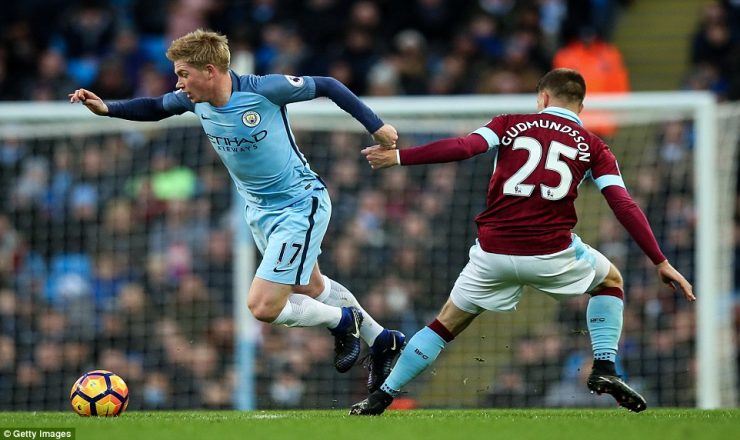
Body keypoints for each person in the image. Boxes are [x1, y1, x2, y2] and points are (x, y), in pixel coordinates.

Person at [69, 29, 405, 392]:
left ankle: (342, 322)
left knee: (263, 306)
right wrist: (107, 108)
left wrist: (377, 126)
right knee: (311, 286)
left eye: (183, 73)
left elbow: (328, 84)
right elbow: (153, 107)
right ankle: (384, 340)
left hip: (299, 203)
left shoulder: (262, 89)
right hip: (259, 211)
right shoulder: (191, 100)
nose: (178, 83)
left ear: (210, 71)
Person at [350, 68, 695, 415]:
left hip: (493, 254)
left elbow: (464, 147)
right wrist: (660, 261)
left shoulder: (509, 124)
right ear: (581, 105)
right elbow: (623, 204)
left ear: (543, 98)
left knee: (443, 324)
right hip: (552, 254)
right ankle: (604, 367)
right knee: (610, 282)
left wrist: (397, 157)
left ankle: (384, 394)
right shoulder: (593, 146)